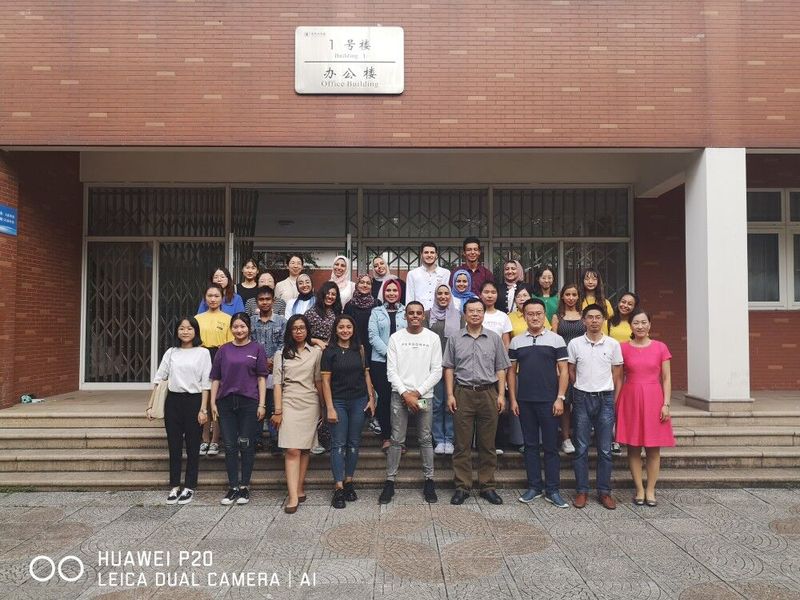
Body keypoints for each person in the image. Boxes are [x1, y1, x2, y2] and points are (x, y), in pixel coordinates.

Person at [444, 298, 511, 506]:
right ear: (465, 314)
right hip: (463, 393)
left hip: (488, 393)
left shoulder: (494, 338)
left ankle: (487, 486)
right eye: (471, 311)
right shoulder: (454, 338)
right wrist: (450, 395)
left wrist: (501, 395)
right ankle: (462, 486)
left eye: (479, 311)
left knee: (487, 444)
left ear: (484, 313)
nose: (475, 314)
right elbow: (449, 367)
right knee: (462, 444)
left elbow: (501, 368)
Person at [508, 299, 570, 508]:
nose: (535, 317)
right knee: (530, 446)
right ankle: (534, 486)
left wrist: (560, 398)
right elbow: (511, 373)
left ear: (544, 315)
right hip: (525, 401)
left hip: (550, 401)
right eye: (530, 314)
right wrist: (513, 399)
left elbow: (563, 371)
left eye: (538, 313)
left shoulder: (556, 340)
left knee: (551, 447)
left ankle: (553, 490)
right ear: (524, 316)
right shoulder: (516, 342)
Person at [380, 301, 443, 505]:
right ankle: (390, 481)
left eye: (418, 313)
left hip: (423, 396)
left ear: (423, 316)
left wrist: (417, 393)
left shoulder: (432, 338)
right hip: (400, 396)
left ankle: (429, 480)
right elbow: (391, 371)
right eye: (411, 313)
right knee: (397, 439)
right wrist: (406, 394)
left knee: (425, 438)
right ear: (405, 316)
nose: (415, 316)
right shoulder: (396, 338)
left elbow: (437, 370)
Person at [148, 316, 212, 505]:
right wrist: (150, 405)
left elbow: (206, 384)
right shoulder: (171, 352)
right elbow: (159, 379)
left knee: (193, 447)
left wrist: (204, 409)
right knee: (174, 446)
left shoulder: (203, 353)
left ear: (196, 331)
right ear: (177, 331)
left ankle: (189, 486)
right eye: (182, 328)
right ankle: (175, 485)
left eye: (189, 328)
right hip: (173, 402)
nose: (185, 331)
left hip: (194, 401)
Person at [615, 310, 674, 507]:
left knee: (653, 449)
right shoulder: (622, 348)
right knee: (633, 447)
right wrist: (616, 403)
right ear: (630, 326)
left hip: (654, 398)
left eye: (643, 322)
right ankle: (639, 489)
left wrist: (666, 404)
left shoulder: (660, 347)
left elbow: (666, 378)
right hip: (630, 398)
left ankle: (650, 490)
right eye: (636, 323)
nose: (640, 326)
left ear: (650, 325)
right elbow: (618, 378)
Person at [568, 303, 623, 510]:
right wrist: (580, 388)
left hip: (605, 398)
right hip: (582, 398)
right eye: (590, 317)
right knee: (581, 448)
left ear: (603, 320)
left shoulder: (612, 344)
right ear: (584, 320)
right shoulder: (575, 343)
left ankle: (604, 492)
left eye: (598, 317)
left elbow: (617, 374)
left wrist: (612, 397)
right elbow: (571, 370)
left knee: (605, 449)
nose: (594, 321)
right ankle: (582, 491)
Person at [209, 312, 268, 506]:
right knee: (230, 445)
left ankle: (244, 486)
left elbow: (261, 378)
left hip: (249, 401)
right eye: (235, 326)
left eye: (242, 326)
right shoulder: (223, 350)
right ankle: (233, 486)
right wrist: (212, 402)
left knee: (246, 443)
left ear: (249, 328)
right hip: (226, 402)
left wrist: (262, 404)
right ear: (231, 329)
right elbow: (215, 378)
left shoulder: (257, 348)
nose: (239, 330)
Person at [321, 314, 376, 509]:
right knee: (338, 444)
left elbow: (366, 375)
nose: (345, 330)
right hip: (338, 402)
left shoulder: (359, 349)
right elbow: (325, 382)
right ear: (336, 330)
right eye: (341, 327)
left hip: (358, 401)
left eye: (348, 327)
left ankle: (349, 482)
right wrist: (329, 407)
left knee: (353, 443)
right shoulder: (329, 352)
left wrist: (371, 398)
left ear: (353, 330)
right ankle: (338, 487)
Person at [271, 314, 324, 514]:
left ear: (307, 330)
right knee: (292, 449)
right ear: (289, 331)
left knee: (304, 449)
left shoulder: (316, 353)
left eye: (302, 328)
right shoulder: (281, 354)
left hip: (310, 402)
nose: (299, 331)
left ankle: (300, 487)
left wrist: (324, 406)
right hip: (289, 402)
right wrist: (278, 410)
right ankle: (292, 495)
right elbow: (277, 384)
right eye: (294, 328)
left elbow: (318, 380)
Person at [368, 279, 407, 453]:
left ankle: (400, 439)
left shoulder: (406, 311)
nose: (391, 293)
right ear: (383, 293)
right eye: (388, 290)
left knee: (400, 399)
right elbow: (373, 336)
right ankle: (386, 437)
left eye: (395, 290)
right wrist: (390, 354)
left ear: (399, 293)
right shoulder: (376, 312)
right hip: (380, 362)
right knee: (384, 399)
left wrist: (399, 356)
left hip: (403, 362)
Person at [195, 284, 234, 456]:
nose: (213, 299)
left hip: (220, 358)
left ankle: (215, 440)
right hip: (200, 359)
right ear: (204, 298)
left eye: (216, 296)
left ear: (222, 298)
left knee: (216, 401)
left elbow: (231, 343)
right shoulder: (197, 319)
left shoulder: (228, 319)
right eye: (209, 296)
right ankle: (204, 438)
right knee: (203, 400)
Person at [424, 284, 462, 455]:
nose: (443, 296)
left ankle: (450, 438)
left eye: (446, 293)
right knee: (437, 404)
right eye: (439, 293)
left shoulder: (459, 316)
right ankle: (439, 439)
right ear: (435, 295)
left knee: (451, 403)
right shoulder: (427, 315)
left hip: (454, 366)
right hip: (434, 366)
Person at [250, 286, 287, 456]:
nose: (264, 302)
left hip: (275, 369)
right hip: (254, 371)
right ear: (257, 302)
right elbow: (249, 342)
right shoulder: (251, 321)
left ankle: (275, 439)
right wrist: (261, 361)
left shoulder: (281, 321)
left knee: (273, 404)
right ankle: (256, 439)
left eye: (268, 299)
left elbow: (284, 343)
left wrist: (273, 360)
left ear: (273, 301)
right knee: (257, 403)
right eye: (261, 299)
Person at [344, 274, 382, 436]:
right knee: (359, 382)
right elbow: (346, 327)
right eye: (362, 282)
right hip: (355, 348)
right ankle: (359, 416)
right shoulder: (349, 305)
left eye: (368, 283)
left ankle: (374, 416)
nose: (365, 285)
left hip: (375, 350)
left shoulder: (377, 304)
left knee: (375, 383)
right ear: (357, 285)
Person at [550, 283, 586, 455]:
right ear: (562, 297)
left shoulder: (584, 316)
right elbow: (554, 341)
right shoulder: (557, 316)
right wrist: (556, 366)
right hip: (563, 363)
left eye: (574, 294)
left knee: (580, 403)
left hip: (582, 364)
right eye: (568, 294)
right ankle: (565, 438)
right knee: (564, 402)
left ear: (578, 297)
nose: (571, 298)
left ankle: (580, 436)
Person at [405, 241, 451, 311]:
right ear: (421, 255)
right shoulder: (412, 274)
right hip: (419, 314)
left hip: (440, 313)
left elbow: (448, 297)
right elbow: (409, 297)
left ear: (436, 255)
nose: (429, 255)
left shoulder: (445, 273)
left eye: (432, 252)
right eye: (426, 252)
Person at [305, 281, 342, 350]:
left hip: (333, 347)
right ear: (322, 294)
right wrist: (317, 341)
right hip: (314, 348)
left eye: (333, 294)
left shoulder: (338, 313)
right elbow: (303, 336)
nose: (330, 296)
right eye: (327, 293)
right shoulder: (311, 313)